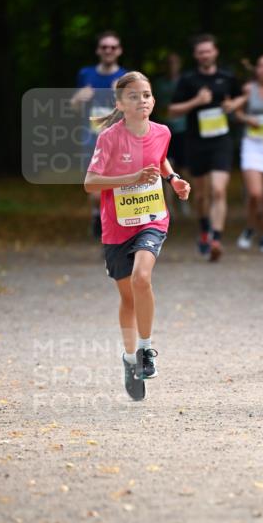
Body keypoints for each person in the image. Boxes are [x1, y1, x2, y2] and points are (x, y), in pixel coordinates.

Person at [83, 71, 191, 399]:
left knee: (141, 279)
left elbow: (159, 160)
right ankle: (129, 358)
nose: (141, 100)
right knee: (128, 297)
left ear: (153, 100)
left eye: (146, 95)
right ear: (120, 103)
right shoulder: (109, 138)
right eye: (133, 96)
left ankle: (145, 351)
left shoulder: (163, 131)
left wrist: (173, 179)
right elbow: (90, 183)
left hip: (151, 219)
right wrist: (129, 178)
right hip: (116, 226)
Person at [168, 34, 241, 260]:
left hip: (221, 140)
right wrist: (196, 102)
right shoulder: (188, 80)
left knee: (218, 190)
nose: (205, 55)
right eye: (201, 52)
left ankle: (216, 238)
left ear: (215, 52)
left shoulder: (227, 76)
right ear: (196, 55)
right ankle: (203, 230)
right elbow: (172, 110)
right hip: (195, 142)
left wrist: (232, 104)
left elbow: (241, 97)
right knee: (200, 196)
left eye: (208, 51)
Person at [71, 30, 128, 239]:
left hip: (119, 138)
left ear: (119, 51)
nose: (108, 51)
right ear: (98, 50)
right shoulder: (85, 74)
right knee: (95, 188)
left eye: (112, 47)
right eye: (104, 47)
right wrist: (78, 99)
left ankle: (113, 227)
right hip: (91, 137)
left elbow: (136, 110)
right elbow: (73, 107)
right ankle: (97, 214)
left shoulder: (125, 76)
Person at [233, 55, 263, 254]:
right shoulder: (248, 89)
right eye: (260, 66)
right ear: (256, 69)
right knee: (255, 194)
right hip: (252, 144)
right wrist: (247, 119)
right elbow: (235, 112)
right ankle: (250, 228)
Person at [153, 51, 190, 215]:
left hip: (183, 129)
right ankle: (169, 205)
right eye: (168, 63)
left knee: (185, 166)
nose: (171, 66)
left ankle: (184, 199)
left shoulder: (185, 81)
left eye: (174, 62)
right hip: (165, 130)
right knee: (167, 166)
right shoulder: (159, 84)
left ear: (179, 64)